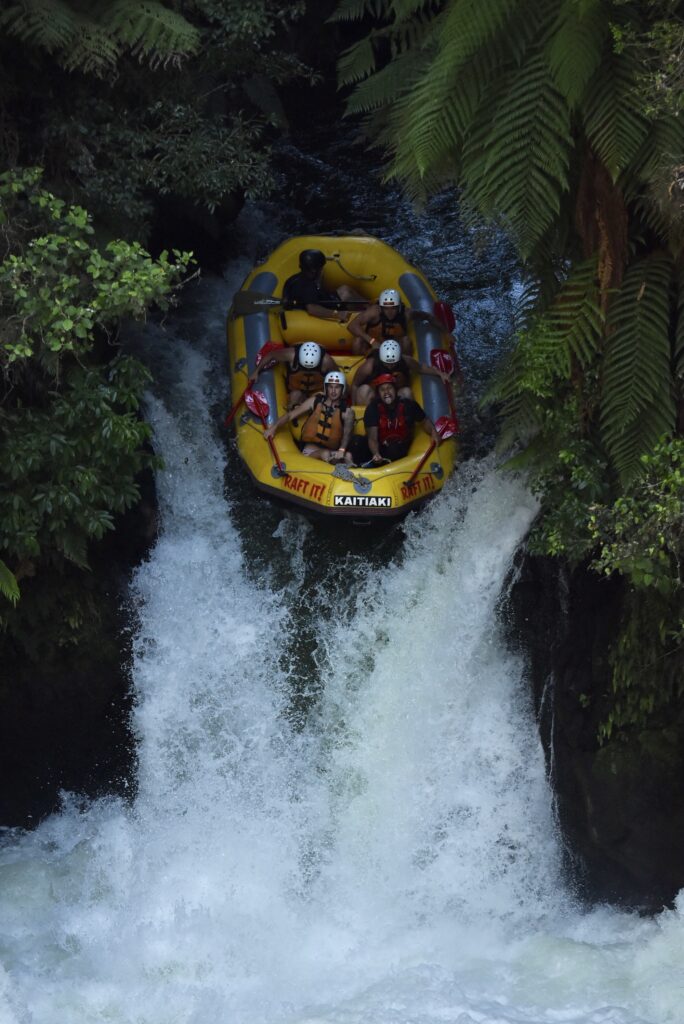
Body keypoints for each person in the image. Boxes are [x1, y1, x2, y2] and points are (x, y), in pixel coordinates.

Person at [264, 370, 355, 465]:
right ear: (326, 388)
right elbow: (290, 415)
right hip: (310, 452)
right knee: (325, 454)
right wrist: (274, 428)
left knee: (348, 456)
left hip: (332, 452)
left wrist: (342, 449)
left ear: (342, 389)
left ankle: (343, 473)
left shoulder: (348, 412)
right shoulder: (315, 401)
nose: (333, 391)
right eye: (330, 387)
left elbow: (347, 435)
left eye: (337, 388)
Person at [347, 288, 452, 356]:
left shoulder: (407, 314)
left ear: (399, 307)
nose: (390, 312)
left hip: (396, 351)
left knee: (406, 340)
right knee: (357, 341)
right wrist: (372, 341)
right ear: (381, 307)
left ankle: (406, 368)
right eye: (386, 308)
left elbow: (428, 316)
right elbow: (352, 326)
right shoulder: (374, 312)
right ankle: (360, 367)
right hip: (372, 347)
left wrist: (446, 333)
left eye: (393, 308)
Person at [363, 374, 441, 463]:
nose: (386, 392)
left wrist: (434, 433)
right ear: (378, 394)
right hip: (382, 448)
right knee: (357, 442)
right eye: (382, 390)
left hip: (401, 446)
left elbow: (424, 421)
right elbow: (372, 438)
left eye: (389, 388)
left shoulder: (409, 405)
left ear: (395, 390)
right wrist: (376, 453)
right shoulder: (372, 409)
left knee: (394, 449)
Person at [351, 338, 450, 407]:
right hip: (375, 396)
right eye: (387, 363)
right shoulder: (370, 366)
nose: (390, 366)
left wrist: (440, 373)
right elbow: (355, 384)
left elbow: (421, 368)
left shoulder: (405, 361)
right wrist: (353, 406)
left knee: (407, 392)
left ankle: (404, 421)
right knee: (363, 390)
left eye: (393, 363)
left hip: (395, 396)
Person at [282, 249, 365, 325]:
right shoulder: (308, 286)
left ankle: (369, 305)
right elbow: (312, 309)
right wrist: (338, 314)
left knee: (345, 289)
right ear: (315, 270)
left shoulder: (293, 279)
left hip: (321, 299)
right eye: (321, 268)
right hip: (328, 308)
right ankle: (367, 312)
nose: (322, 270)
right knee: (348, 296)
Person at [248, 341, 339, 410]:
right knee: (295, 395)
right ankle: (293, 410)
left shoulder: (327, 361)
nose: (308, 369)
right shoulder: (291, 355)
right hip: (296, 389)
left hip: (317, 391)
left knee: (320, 400)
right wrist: (256, 371)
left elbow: (337, 375)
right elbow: (272, 355)